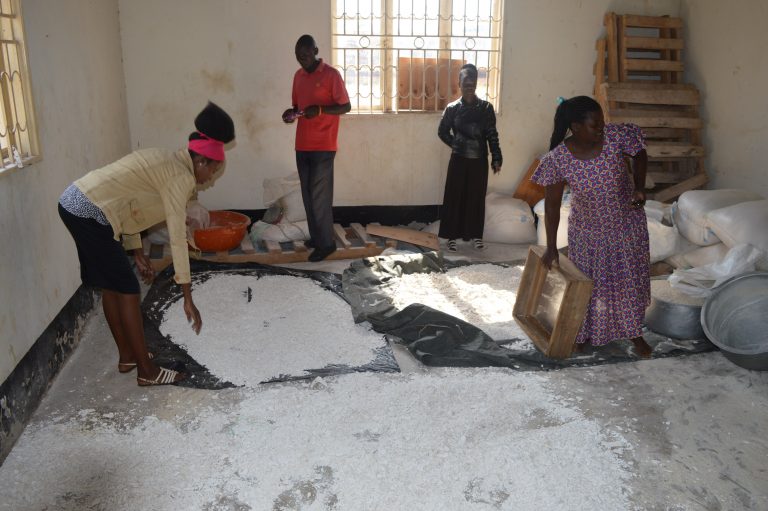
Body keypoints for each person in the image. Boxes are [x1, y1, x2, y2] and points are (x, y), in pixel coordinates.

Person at [58, 102, 235, 386]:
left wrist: (136, 249)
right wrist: (187, 295)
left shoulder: (166, 160)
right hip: (90, 211)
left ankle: (128, 356)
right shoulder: (180, 177)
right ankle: (147, 371)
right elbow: (177, 237)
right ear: (201, 162)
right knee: (127, 289)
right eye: (212, 172)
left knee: (112, 285)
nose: (209, 180)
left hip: (76, 203)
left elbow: (130, 205)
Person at [531, 95, 653, 358]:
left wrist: (639, 186)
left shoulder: (615, 136)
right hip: (587, 233)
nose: (601, 129)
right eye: (595, 125)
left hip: (625, 226)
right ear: (575, 127)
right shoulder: (558, 159)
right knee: (589, 286)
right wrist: (551, 247)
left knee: (627, 282)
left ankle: (634, 333)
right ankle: (585, 334)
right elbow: (551, 207)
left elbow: (640, 152)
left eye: (602, 123)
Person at [282, 34, 351, 262]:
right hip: (302, 144)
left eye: (306, 55)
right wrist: (291, 114)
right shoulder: (298, 76)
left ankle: (327, 245)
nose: (302, 60)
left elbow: (345, 106)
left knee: (320, 195)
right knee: (308, 193)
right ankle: (317, 237)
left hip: (323, 145)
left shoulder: (331, 75)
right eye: (298, 57)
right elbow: (297, 105)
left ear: (316, 51)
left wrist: (320, 110)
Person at [437, 63, 502, 252]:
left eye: (472, 83)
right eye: (465, 82)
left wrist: (497, 157)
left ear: (476, 84)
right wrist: (455, 144)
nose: (469, 86)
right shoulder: (452, 108)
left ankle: (475, 235)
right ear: (459, 83)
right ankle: (451, 236)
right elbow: (442, 131)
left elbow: (492, 134)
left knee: (476, 197)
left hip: (479, 159)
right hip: (458, 159)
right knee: (455, 196)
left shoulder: (486, 108)